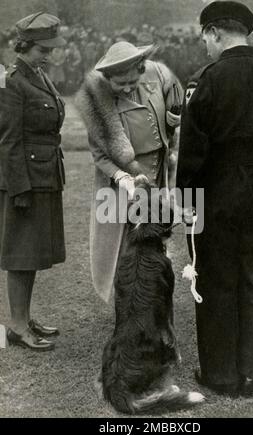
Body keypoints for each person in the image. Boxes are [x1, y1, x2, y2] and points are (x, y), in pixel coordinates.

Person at [176, 1, 253, 398]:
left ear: (214, 32)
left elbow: (193, 149)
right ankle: (248, 374)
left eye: (205, 39)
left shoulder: (206, 80)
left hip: (218, 189)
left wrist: (185, 198)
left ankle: (220, 373)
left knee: (217, 277)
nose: (206, 47)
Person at [76, 41, 183, 302]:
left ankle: (154, 291)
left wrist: (174, 121)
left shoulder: (156, 80)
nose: (126, 87)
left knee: (156, 234)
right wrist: (123, 177)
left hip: (155, 175)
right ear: (107, 78)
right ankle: (126, 300)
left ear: (141, 69)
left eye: (132, 81)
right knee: (122, 244)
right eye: (119, 83)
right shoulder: (98, 102)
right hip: (120, 182)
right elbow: (100, 154)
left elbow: (171, 114)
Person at [0, 12, 67, 351]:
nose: (48, 55)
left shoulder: (37, 74)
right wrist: (19, 187)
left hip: (43, 174)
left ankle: (23, 318)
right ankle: (17, 325)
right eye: (43, 49)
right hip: (25, 179)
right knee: (20, 254)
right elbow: (8, 140)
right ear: (24, 47)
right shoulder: (11, 81)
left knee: (32, 252)